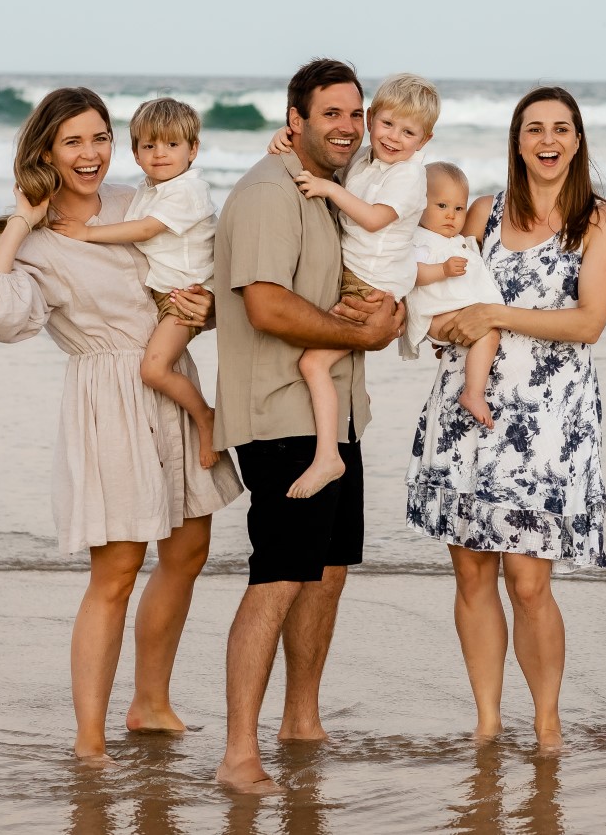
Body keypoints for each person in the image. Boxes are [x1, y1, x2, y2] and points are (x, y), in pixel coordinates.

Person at [0, 87, 243, 763]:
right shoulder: (35, 240)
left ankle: (151, 703)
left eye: (101, 137)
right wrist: (21, 221)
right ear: (46, 148)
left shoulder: (144, 200)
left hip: (171, 376)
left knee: (189, 552)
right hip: (107, 396)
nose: (91, 154)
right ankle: (87, 737)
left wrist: (205, 305)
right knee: (116, 570)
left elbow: (195, 278)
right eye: (73, 140)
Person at [406, 86, 606, 752]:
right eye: (535, 128)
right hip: (464, 412)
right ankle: (487, 719)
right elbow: (444, 292)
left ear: (578, 139)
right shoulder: (483, 211)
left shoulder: (602, 221)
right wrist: (442, 322)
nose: (548, 139)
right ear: (518, 139)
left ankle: (547, 720)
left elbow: (587, 322)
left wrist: (494, 315)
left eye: (561, 127)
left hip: (550, 422)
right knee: (472, 573)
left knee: (529, 581)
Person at [212, 58, 406, 793]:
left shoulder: (328, 193)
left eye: (356, 114)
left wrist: (385, 317)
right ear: (294, 118)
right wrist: (361, 336)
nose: (349, 128)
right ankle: (237, 754)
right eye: (332, 113)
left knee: (324, 573)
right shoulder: (268, 193)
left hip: (335, 417)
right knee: (279, 575)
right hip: (280, 417)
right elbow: (266, 304)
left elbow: (356, 285)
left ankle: (301, 720)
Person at [267, 73, 436, 498]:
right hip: (354, 274)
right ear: (372, 120)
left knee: (312, 363)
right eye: (386, 124)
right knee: (322, 349)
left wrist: (326, 189)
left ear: (425, 139)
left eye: (408, 132)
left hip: (369, 286)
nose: (394, 138)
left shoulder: (408, 176)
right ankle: (356, 406)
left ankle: (328, 455)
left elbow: (375, 217)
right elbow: (326, 154)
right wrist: (285, 137)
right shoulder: (369, 158)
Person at [51, 96, 221, 468]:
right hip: (167, 294)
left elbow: (147, 228)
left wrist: (86, 234)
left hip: (183, 297)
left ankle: (206, 418)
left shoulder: (187, 190)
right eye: (149, 145)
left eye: (172, 144)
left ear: (193, 150)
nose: (160, 154)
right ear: (135, 152)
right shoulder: (149, 188)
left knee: (153, 370)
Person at [403, 161, 505, 428]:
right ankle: (473, 393)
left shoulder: (454, 240)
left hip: (447, 308)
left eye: (459, 208)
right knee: (490, 333)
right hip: (434, 313)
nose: (451, 215)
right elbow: (410, 274)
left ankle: (473, 388)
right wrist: (442, 270)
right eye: (442, 206)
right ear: (420, 203)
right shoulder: (418, 239)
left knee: (488, 332)